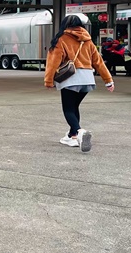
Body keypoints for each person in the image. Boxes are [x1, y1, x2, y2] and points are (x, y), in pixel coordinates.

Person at [44, 15, 114, 152]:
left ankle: (79, 132)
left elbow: (53, 62)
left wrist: (48, 80)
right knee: (74, 107)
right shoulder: (88, 40)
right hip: (87, 78)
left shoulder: (61, 39)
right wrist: (108, 80)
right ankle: (72, 135)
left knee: (68, 109)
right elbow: (98, 62)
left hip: (71, 78)